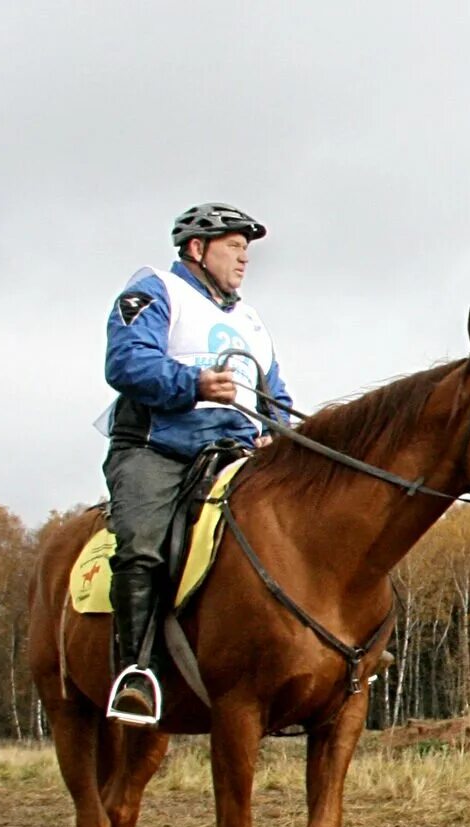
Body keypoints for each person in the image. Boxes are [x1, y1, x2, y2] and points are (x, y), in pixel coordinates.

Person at [100, 203, 293, 724]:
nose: (243, 258)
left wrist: (282, 436)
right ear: (196, 249)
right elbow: (125, 362)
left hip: (236, 454)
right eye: (234, 246)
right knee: (143, 544)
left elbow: (274, 396)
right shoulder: (155, 291)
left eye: (246, 250)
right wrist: (194, 384)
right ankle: (135, 673)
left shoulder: (251, 322)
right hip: (158, 448)